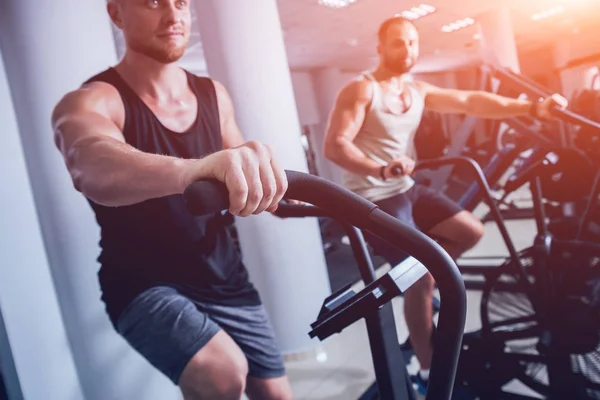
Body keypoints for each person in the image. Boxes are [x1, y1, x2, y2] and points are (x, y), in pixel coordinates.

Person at [51, 1, 294, 399]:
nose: (173, 14)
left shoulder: (213, 94)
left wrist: (273, 188)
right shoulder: (91, 101)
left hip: (226, 277)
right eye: (153, 1)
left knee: (277, 394)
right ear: (117, 15)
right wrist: (190, 171)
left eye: (181, 2)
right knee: (223, 373)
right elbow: (89, 161)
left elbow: (242, 179)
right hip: (144, 284)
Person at [323, 15, 567, 395]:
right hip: (371, 197)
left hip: (406, 186)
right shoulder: (361, 90)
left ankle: (424, 277)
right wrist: (380, 168)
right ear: (381, 48)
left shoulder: (416, 90)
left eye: (412, 43)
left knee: (469, 231)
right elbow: (335, 145)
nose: (407, 50)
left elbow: (471, 101)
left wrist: (532, 109)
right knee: (419, 279)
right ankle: (425, 367)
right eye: (398, 43)